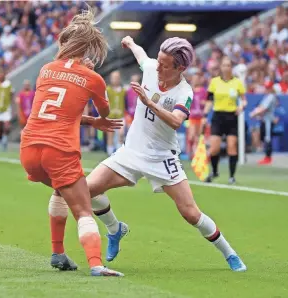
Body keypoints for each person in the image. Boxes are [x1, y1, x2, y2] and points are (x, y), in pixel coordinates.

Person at [52, 36, 247, 272]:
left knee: (190, 213)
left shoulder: (184, 91)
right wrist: (131, 43)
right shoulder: (152, 68)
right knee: (85, 191)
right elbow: (142, 56)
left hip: (162, 158)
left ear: (180, 68)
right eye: (159, 62)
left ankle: (230, 253)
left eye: (165, 65)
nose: (159, 68)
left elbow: (176, 120)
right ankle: (115, 229)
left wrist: (149, 102)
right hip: (131, 151)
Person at [20, 9, 124, 277]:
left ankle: (58, 254)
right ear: (89, 48)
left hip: (30, 149)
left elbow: (56, 109)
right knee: (83, 209)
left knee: (60, 191)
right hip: (59, 151)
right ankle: (96, 264)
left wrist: (87, 120)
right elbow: (105, 113)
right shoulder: (93, 78)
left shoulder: (45, 70)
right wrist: (96, 118)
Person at [203, 56, 247, 184]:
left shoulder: (237, 82)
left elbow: (244, 100)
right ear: (221, 67)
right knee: (214, 147)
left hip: (231, 116)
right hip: (218, 116)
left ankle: (232, 176)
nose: (226, 68)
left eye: (228, 65)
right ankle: (215, 171)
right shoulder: (214, 82)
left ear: (231, 68)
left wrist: (242, 106)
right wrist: (205, 115)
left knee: (232, 146)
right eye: (224, 65)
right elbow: (209, 100)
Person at [249, 81, 278, 165]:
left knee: (267, 138)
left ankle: (268, 157)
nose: (266, 89)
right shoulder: (267, 96)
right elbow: (261, 108)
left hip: (268, 121)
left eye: (268, 87)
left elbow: (263, 108)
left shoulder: (271, 96)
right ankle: (266, 156)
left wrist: (254, 114)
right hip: (265, 120)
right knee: (264, 138)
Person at [106, 70, 126, 155]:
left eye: (117, 78)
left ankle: (118, 152)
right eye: (114, 78)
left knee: (121, 134)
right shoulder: (108, 90)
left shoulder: (123, 91)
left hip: (120, 116)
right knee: (110, 135)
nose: (115, 79)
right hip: (110, 116)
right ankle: (110, 153)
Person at [187, 73, 207, 159]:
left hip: (200, 116)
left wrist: (204, 103)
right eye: (193, 79)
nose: (195, 80)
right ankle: (191, 152)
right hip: (192, 116)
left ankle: (196, 154)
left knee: (198, 136)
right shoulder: (189, 91)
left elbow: (206, 102)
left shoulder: (203, 91)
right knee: (191, 135)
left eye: (196, 79)